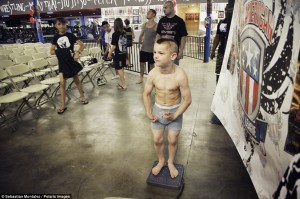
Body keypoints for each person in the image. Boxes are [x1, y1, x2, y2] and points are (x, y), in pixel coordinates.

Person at [143, 38, 192, 178]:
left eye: (160, 53)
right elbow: (146, 94)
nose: (155, 56)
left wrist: (175, 115)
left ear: (173, 56)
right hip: (158, 110)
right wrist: (148, 112)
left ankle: (170, 162)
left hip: (175, 110)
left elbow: (188, 100)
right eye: (154, 52)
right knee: (157, 140)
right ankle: (161, 161)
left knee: (172, 139)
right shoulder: (153, 73)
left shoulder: (180, 75)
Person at [50, 17, 88, 114]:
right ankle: (62, 104)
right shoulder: (55, 37)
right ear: (55, 26)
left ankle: (82, 96)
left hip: (71, 61)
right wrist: (62, 52)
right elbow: (51, 51)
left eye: (63, 24)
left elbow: (82, 45)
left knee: (77, 81)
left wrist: (77, 52)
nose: (61, 26)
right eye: (59, 24)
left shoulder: (70, 35)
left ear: (66, 25)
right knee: (62, 84)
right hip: (62, 63)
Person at [156, 1, 188, 65]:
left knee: (173, 72)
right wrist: (156, 47)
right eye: (163, 8)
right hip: (162, 51)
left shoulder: (180, 21)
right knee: (163, 71)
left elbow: (183, 37)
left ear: (171, 8)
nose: (164, 9)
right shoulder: (162, 20)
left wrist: (181, 51)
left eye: (166, 8)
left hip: (173, 52)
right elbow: (158, 34)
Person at [137, 9, 157, 84]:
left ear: (153, 15)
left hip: (151, 49)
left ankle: (151, 79)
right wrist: (139, 43)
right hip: (144, 48)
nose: (147, 13)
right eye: (147, 12)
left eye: (149, 12)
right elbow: (141, 35)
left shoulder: (156, 25)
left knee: (152, 65)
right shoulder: (144, 25)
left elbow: (158, 37)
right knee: (142, 63)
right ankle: (141, 78)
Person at [210, 4, 229, 84]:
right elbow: (217, 37)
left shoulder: (235, 23)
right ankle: (218, 89)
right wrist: (213, 51)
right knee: (218, 72)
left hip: (231, 54)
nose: (227, 11)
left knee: (229, 73)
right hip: (221, 52)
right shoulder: (222, 23)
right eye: (226, 9)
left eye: (228, 9)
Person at [108, 18, 127, 90]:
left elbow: (114, 46)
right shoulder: (124, 32)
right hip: (123, 53)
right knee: (121, 68)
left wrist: (109, 53)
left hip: (118, 54)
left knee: (119, 69)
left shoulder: (115, 34)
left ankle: (124, 84)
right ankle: (121, 83)